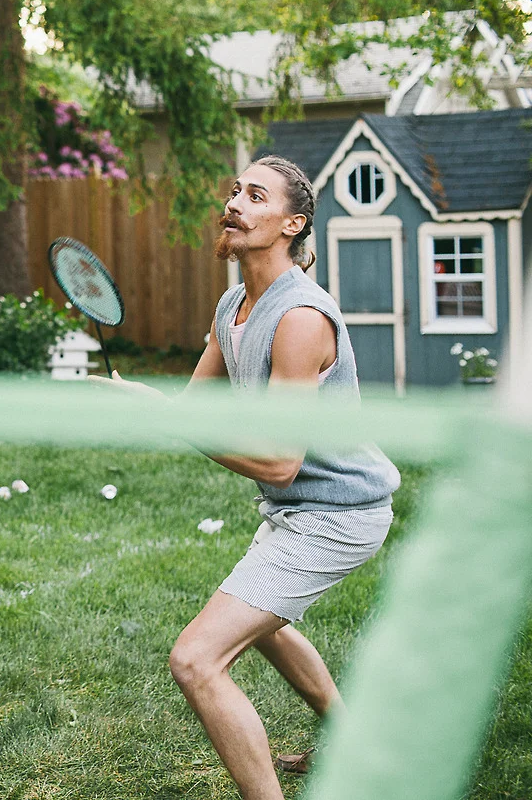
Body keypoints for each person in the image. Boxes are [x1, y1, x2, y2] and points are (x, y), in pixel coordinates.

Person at [95, 155, 400, 800]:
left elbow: (279, 462)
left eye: (256, 196)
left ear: (292, 224)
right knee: (267, 624)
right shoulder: (233, 305)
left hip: (339, 513)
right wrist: (143, 405)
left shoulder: (301, 318)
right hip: (298, 510)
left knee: (196, 659)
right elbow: (191, 413)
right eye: (235, 191)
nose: (234, 203)